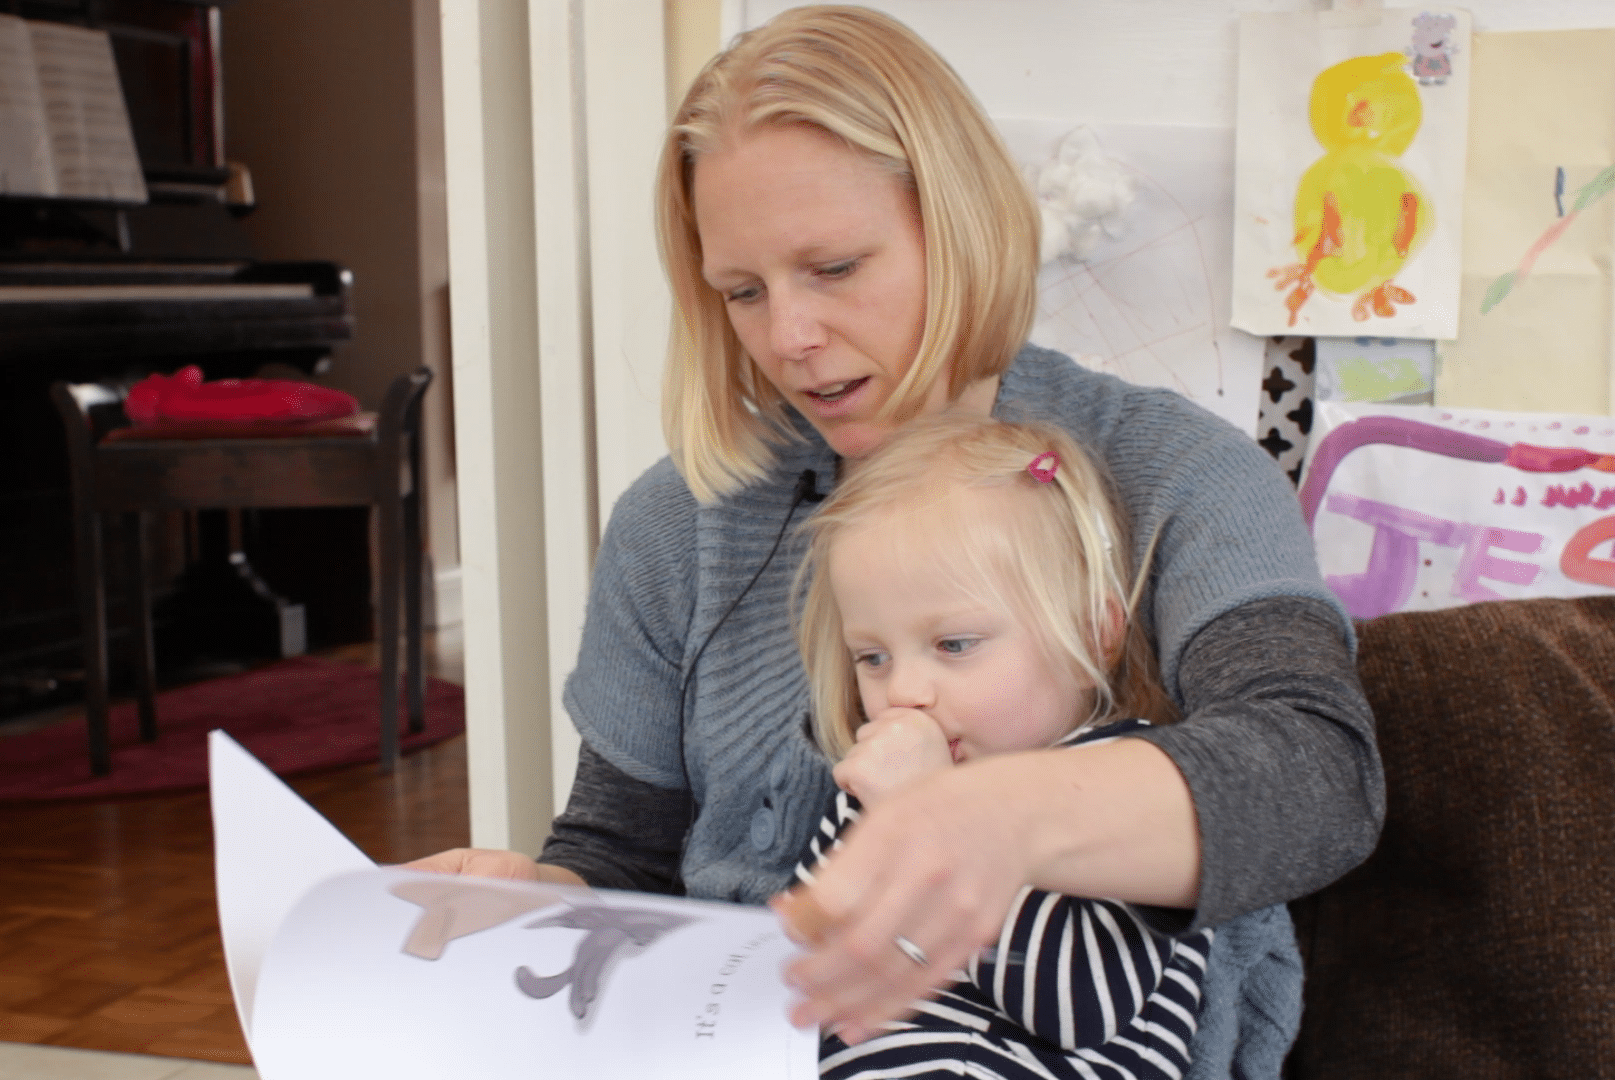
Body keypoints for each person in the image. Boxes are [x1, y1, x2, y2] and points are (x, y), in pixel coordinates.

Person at [409, 7, 1382, 1076]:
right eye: (742, 291)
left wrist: (1003, 819)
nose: (788, 339)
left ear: (959, 223)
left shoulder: (1174, 475)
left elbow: (1318, 774)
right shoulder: (679, 518)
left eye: (833, 268)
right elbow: (618, 851)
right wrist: (537, 906)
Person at [790, 413, 1205, 1078]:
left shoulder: (1134, 786)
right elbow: (799, 975)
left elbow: (1081, 1008)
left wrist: (929, 810)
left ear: (1094, 635)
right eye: (872, 656)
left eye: (954, 645)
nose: (905, 692)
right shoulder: (868, 793)